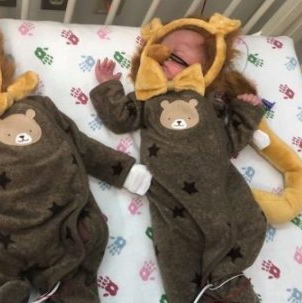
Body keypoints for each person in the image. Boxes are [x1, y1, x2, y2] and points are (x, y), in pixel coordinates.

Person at [0, 8, 152, 303]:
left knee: (81, 258)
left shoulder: (39, 106)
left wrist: (123, 170)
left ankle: (71, 289)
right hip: (1, 229)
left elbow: (80, 144)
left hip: (66, 220)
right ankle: (2, 294)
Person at [90, 15, 267, 303]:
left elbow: (232, 141)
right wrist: (109, 87)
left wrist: (246, 112)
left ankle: (228, 282)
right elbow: (120, 119)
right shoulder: (148, 98)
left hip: (220, 187)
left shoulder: (209, 102)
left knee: (251, 225)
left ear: (204, 69)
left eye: (174, 57)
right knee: (176, 256)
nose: (161, 61)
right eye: (158, 53)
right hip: (170, 198)